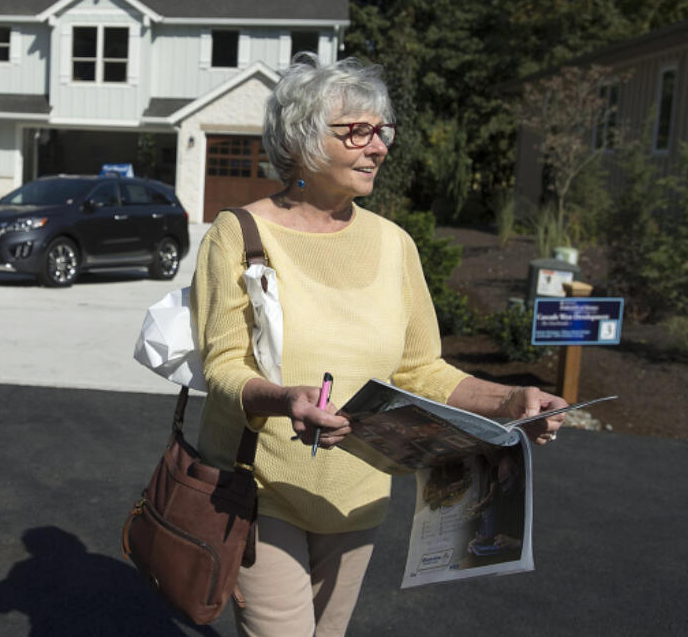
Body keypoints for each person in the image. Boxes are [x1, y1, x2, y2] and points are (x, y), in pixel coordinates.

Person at [190, 56, 567, 636]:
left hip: (358, 497)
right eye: (357, 132)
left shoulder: (395, 245)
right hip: (259, 488)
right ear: (302, 139)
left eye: (382, 131)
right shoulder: (237, 235)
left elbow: (424, 370)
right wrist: (286, 397)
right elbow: (222, 367)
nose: (378, 147)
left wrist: (509, 401)